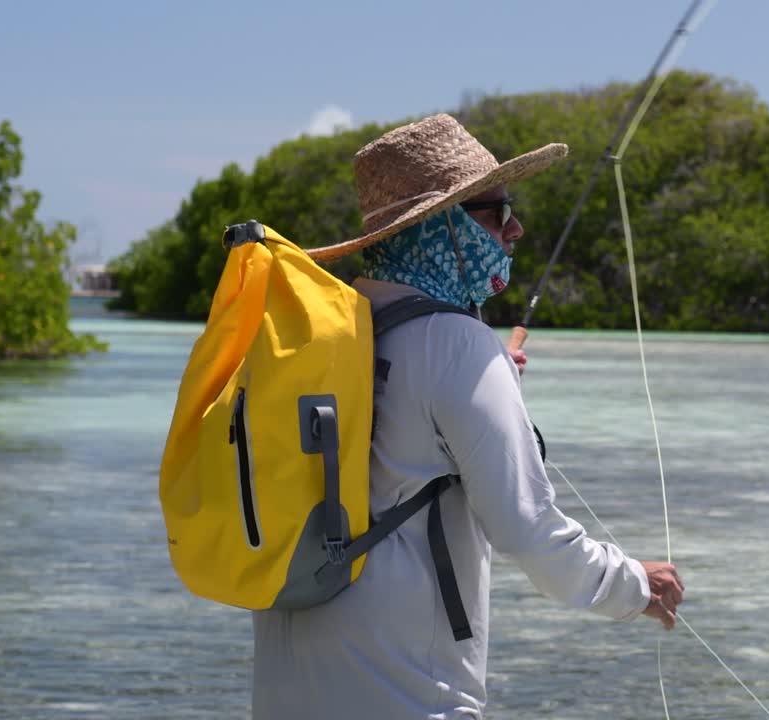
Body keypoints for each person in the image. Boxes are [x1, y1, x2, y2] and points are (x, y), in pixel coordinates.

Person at [251, 114, 684, 719]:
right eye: (497, 211)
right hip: (405, 700)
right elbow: (527, 532)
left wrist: (487, 374)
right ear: (442, 225)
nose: (516, 229)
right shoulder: (457, 346)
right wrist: (634, 585)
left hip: (284, 695)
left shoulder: (329, 332)